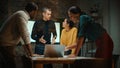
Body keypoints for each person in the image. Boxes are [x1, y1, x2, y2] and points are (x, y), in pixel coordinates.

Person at [0, 2, 38, 68]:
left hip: (6, 44)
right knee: (11, 65)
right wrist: (31, 54)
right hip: (5, 44)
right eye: (36, 12)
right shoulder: (21, 15)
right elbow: (25, 34)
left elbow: (21, 37)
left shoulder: (21, 14)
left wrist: (28, 53)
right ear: (33, 11)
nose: (35, 15)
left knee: (7, 64)